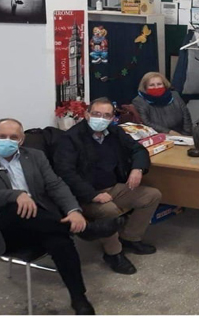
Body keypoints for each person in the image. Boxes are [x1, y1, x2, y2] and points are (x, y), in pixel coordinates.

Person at [0, 118, 121, 315]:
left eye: (13, 137)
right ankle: (86, 230)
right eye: (2, 136)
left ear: (21, 140)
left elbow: (55, 185)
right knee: (15, 208)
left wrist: (74, 211)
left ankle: (79, 298)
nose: (7, 140)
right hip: (1, 227)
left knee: (59, 241)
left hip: (40, 222)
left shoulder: (35, 156)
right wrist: (15, 195)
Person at [53, 98, 162, 276]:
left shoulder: (114, 131)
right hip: (85, 195)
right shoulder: (71, 138)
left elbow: (138, 149)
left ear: (112, 118)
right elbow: (65, 173)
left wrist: (138, 168)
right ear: (87, 114)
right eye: (96, 114)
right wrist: (92, 195)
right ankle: (113, 253)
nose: (101, 119)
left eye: (106, 115)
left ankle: (130, 238)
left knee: (152, 195)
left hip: (113, 187)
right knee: (109, 211)